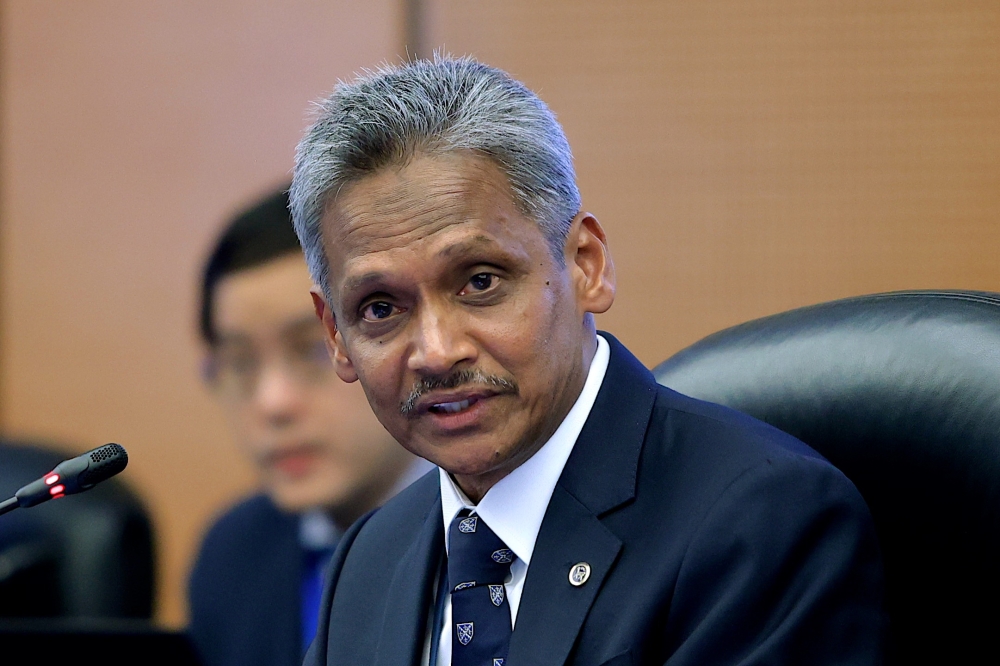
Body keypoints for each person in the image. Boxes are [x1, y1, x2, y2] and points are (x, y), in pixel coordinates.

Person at [291, 57, 887, 666]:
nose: (437, 352)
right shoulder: (368, 560)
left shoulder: (759, 524)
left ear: (585, 265)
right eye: (381, 308)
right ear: (336, 335)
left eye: (480, 281)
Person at [187, 188, 431, 666]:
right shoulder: (233, 555)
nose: (273, 403)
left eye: (313, 350)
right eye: (239, 364)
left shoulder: (493, 539)